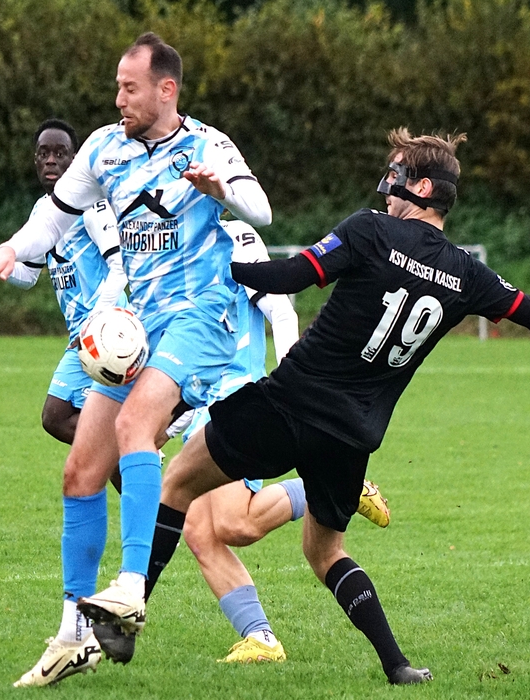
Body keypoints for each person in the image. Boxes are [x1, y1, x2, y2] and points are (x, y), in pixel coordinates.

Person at [154, 127, 530, 685]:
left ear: (421, 187)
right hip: (353, 433)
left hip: (291, 402)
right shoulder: (466, 273)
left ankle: (126, 612)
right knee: (326, 553)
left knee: (176, 484)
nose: (386, 185)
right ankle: (397, 666)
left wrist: (214, 269)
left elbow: (293, 275)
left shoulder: (370, 230)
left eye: (395, 174)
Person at [0, 33, 271, 685]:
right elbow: (53, 219)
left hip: (202, 316)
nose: (118, 99)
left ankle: (131, 588)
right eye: (117, 86)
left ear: (166, 89)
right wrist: (11, 251)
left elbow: (262, 210)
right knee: (80, 471)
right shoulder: (104, 148)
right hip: (140, 322)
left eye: (129, 88)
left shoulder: (208, 145)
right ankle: (72, 633)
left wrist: (221, 189)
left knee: (137, 424)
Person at [96, 219, 392, 666]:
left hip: (236, 394)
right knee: (199, 531)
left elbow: (282, 311)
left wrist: (295, 377)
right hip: (194, 396)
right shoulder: (167, 236)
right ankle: (261, 638)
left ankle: (340, 487)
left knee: (238, 525)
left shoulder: (235, 236)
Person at [0, 119, 126, 688]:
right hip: (76, 342)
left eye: (61, 152)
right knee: (56, 418)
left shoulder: (94, 205)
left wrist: (103, 318)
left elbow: (121, 264)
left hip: (105, 336)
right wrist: (2, 259)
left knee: (65, 426)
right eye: (43, 153)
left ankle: (133, 466)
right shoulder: (47, 212)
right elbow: (32, 276)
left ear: (76, 156)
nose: (51, 160)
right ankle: (130, 463)